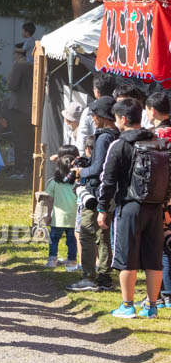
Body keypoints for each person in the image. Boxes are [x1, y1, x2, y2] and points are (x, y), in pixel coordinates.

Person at [97, 99, 167, 319]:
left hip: (129, 206)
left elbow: (107, 180)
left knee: (126, 258)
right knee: (154, 259)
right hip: (155, 207)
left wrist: (102, 208)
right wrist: (165, 205)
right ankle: (152, 306)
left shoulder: (118, 145)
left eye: (117, 118)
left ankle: (127, 305)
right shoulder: (156, 141)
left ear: (123, 119)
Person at [68, 96, 118, 292]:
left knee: (87, 233)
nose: (93, 119)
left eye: (94, 115)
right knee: (104, 235)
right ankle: (105, 277)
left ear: (101, 117)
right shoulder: (115, 134)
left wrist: (82, 172)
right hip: (109, 192)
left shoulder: (104, 136)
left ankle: (89, 277)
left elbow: (99, 168)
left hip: (96, 192)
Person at [45, 145, 80, 270]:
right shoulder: (77, 183)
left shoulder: (54, 182)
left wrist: (48, 214)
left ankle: (52, 259)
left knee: (54, 239)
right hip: (73, 218)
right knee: (72, 241)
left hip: (57, 218)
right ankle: (71, 261)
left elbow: (50, 199)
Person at [6, 47, 33, 175]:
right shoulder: (32, 66)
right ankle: (29, 166)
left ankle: (19, 168)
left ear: (17, 54)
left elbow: (12, 85)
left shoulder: (18, 66)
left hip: (18, 107)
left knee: (18, 139)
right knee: (28, 139)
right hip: (30, 108)